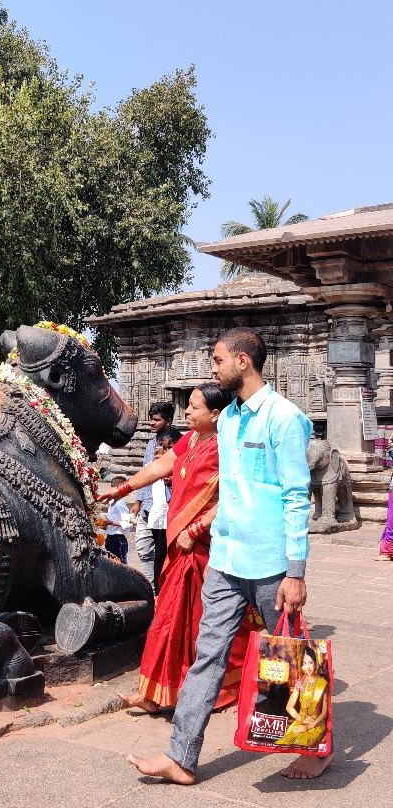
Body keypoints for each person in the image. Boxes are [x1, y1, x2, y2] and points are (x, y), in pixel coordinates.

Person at [127, 326, 333, 784]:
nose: (213, 367)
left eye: (218, 359)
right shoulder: (231, 420)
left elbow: (297, 497)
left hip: (271, 566)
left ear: (243, 361)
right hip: (225, 561)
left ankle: (313, 748)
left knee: (292, 659)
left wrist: (295, 572)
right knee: (207, 656)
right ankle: (181, 757)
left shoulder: (284, 418)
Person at [98, 383, 257, 714]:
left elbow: (233, 498)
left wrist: (197, 528)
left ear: (216, 415)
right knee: (169, 620)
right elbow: (159, 468)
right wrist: (122, 489)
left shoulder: (228, 447)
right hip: (181, 546)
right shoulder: (191, 439)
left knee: (205, 623)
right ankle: (155, 691)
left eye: (195, 407)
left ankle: (228, 685)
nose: (186, 411)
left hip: (206, 548)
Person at [130, 401, 174, 588]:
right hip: (148, 504)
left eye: (156, 420)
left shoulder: (177, 442)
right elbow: (146, 472)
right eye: (151, 419)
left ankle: (158, 589)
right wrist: (138, 500)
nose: (152, 423)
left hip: (165, 504)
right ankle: (149, 585)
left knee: (161, 552)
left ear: (169, 421)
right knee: (142, 548)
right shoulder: (150, 444)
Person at [148, 429, 182, 592]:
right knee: (160, 552)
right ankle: (158, 589)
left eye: (171, 448)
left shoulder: (184, 463)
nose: (168, 452)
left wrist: (175, 479)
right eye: (165, 447)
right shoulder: (155, 465)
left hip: (178, 514)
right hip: (161, 514)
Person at [276, 646, 328, 747]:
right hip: (301, 720)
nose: (307, 667)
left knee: (303, 741)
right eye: (304, 663)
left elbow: (324, 713)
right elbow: (289, 707)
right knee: (285, 741)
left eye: (310, 663)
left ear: (316, 663)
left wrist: (307, 727)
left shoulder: (322, 683)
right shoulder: (300, 682)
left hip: (316, 724)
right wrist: (301, 720)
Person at [102, 475, 133, 563]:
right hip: (110, 538)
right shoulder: (112, 502)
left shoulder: (120, 503)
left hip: (118, 539)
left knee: (120, 564)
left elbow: (128, 523)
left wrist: (110, 522)